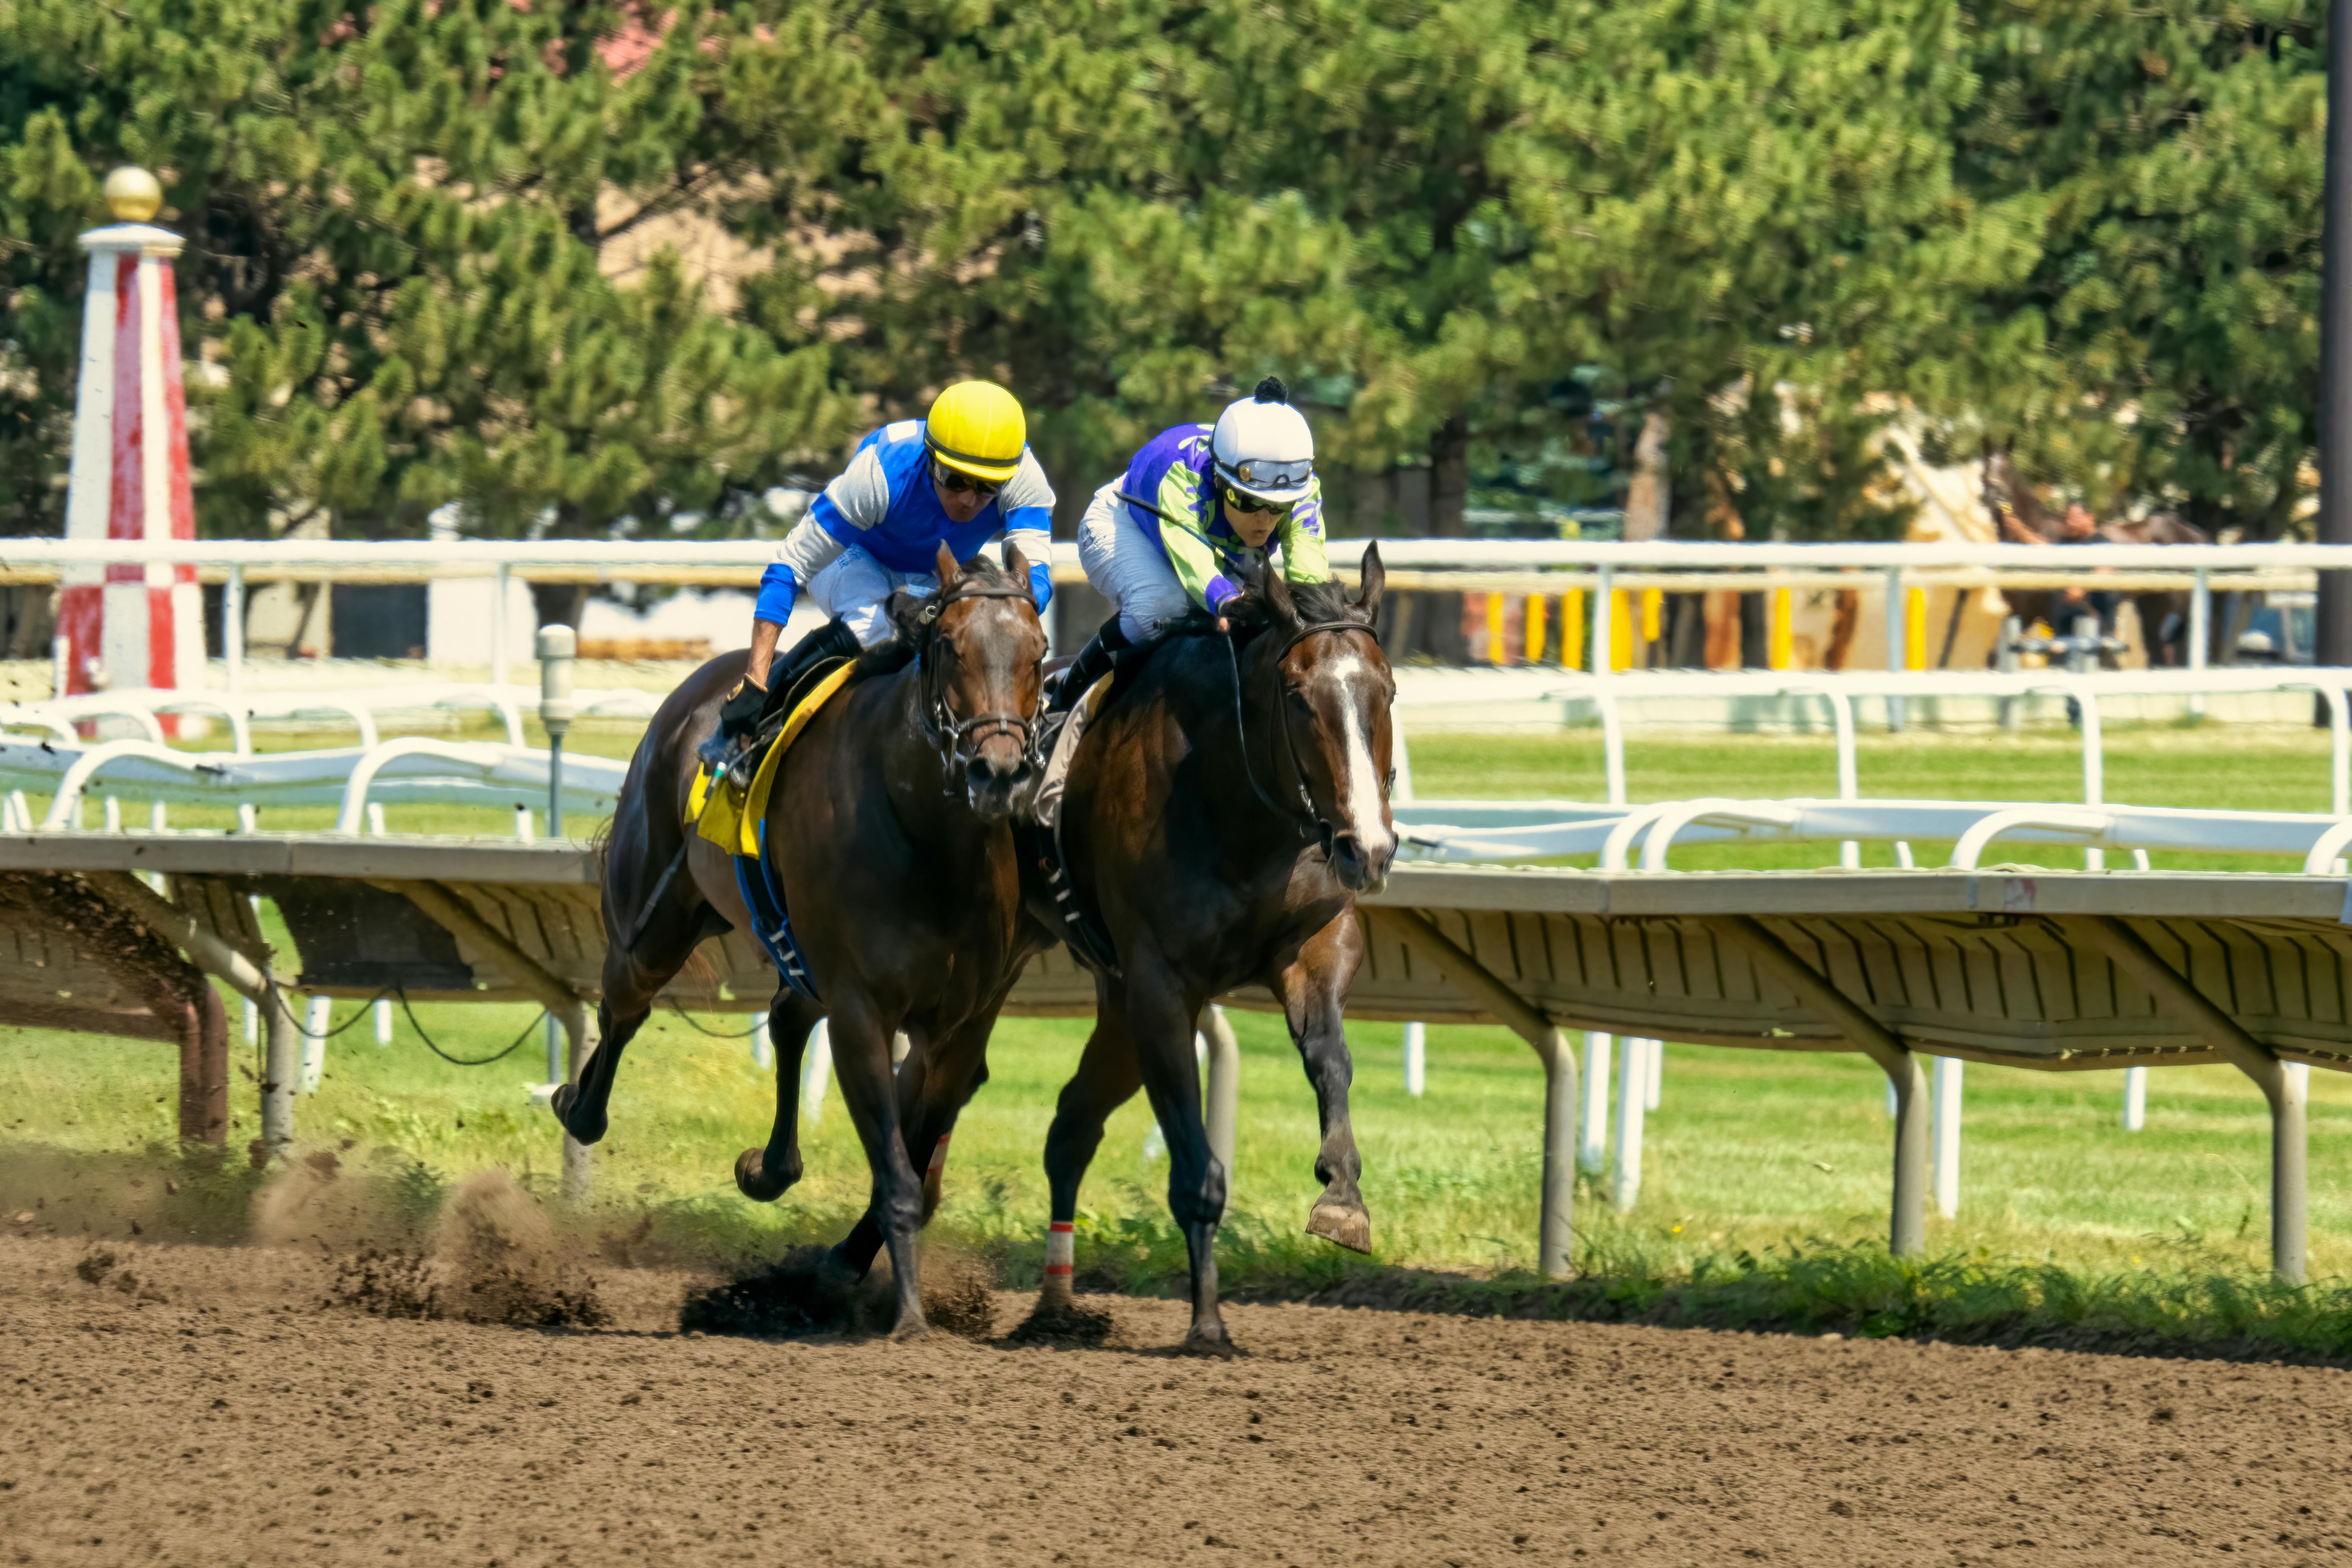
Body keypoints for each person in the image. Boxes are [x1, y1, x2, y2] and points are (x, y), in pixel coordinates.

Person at [712, 380, 1056, 753]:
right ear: (931, 460)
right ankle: (750, 723)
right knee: (874, 623)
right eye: (955, 480)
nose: (969, 500)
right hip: (855, 558)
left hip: (929, 573)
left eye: (988, 487)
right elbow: (785, 570)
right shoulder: (879, 476)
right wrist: (755, 681)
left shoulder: (1023, 477)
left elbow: (1034, 582)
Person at [1052, 376, 1329, 706]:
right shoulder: (1181, 473)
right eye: (1250, 502)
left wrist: (1315, 622)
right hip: (1125, 523)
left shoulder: (1302, 485)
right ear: (1217, 479)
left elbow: (1308, 567)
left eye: (1280, 507)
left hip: (1216, 544)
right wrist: (1227, 601)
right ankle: (1066, 696)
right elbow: (1191, 556)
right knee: (1162, 604)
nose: (1265, 519)